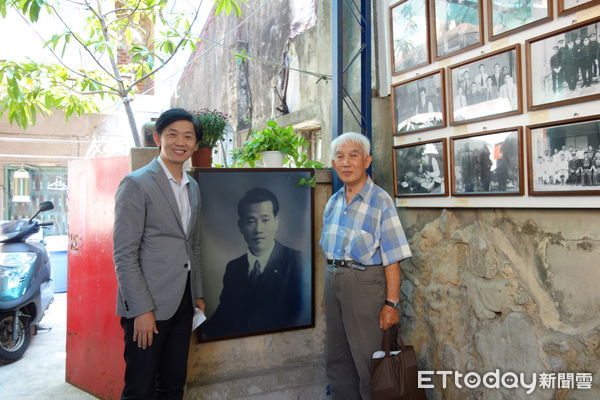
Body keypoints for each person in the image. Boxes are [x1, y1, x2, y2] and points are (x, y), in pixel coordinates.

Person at [113, 108, 205, 399]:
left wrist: (197, 293)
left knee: (173, 384)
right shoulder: (136, 183)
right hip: (148, 306)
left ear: (196, 144)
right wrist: (140, 310)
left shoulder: (193, 187)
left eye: (188, 136)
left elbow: (194, 245)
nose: (180, 142)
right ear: (158, 138)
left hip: (182, 303)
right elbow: (124, 253)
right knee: (140, 389)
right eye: (172, 134)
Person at [320, 132, 411, 400]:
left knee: (369, 363)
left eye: (353, 155)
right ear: (334, 164)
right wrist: (328, 291)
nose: (346, 162)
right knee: (337, 360)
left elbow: (392, 256)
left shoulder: (380, 201)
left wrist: (391, 303)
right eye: (339, 157)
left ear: (367, 161)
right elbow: (328, 251)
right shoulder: (334, 201)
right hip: (333, 281)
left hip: (364, 285)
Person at [204, 187, 304, 338]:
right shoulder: (234, 268)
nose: (258, 229)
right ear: (241, 226)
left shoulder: (296, 262)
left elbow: (298, 316)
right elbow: (224, 315)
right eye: (251, 221)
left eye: (265, 220)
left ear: (276, 223)